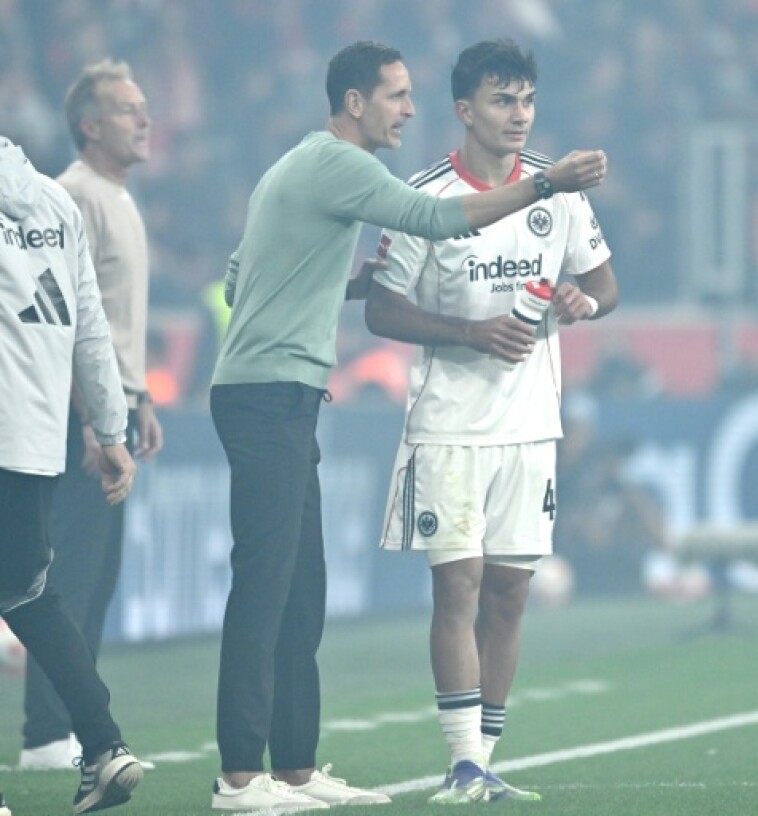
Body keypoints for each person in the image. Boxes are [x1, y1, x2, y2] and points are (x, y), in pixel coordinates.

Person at [209, 40, 606, 811]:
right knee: (264, 592)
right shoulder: (340, 164)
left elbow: (236, 275)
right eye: (395, 95)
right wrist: (546, 184)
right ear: (355, 103)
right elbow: (431, 216)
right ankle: (235, 781)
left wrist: (331, 281)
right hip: (265, 395)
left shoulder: (294, 167)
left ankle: (293, 769)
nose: (409, 108)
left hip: (283, 394)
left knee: (301, 591)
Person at [364, 39, 619, 803]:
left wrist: (583, 303)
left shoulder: (562, 194)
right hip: (449, 426)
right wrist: (473, 332)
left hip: (533, 426)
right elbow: (380, 308)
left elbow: (606, 286)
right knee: (460, 588)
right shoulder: (426, 198)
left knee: (509, 594)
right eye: (503, 100)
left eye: (528, 99)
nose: (519, 114)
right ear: (466, 110)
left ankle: (487, 762)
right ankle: (463, 762)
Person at [19, 58, 164, 773]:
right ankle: (48, 732)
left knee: (93, 577)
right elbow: (65, 321)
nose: (145, 119)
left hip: (112, 408)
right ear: (88, 124)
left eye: (143, 106)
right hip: (74, 419)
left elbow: (110, 324)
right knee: (65, 577)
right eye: (127, 108)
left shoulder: (114, 196)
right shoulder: (72, 196)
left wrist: (139, 397)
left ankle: (72, 729)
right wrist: (92, 421)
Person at [0, 135, 145, 813]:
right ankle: (105, 745)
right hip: (33, 441)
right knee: (30, 595)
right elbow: (91, 326)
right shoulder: (54, 201)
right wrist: (111, 430)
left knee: (29, 594)